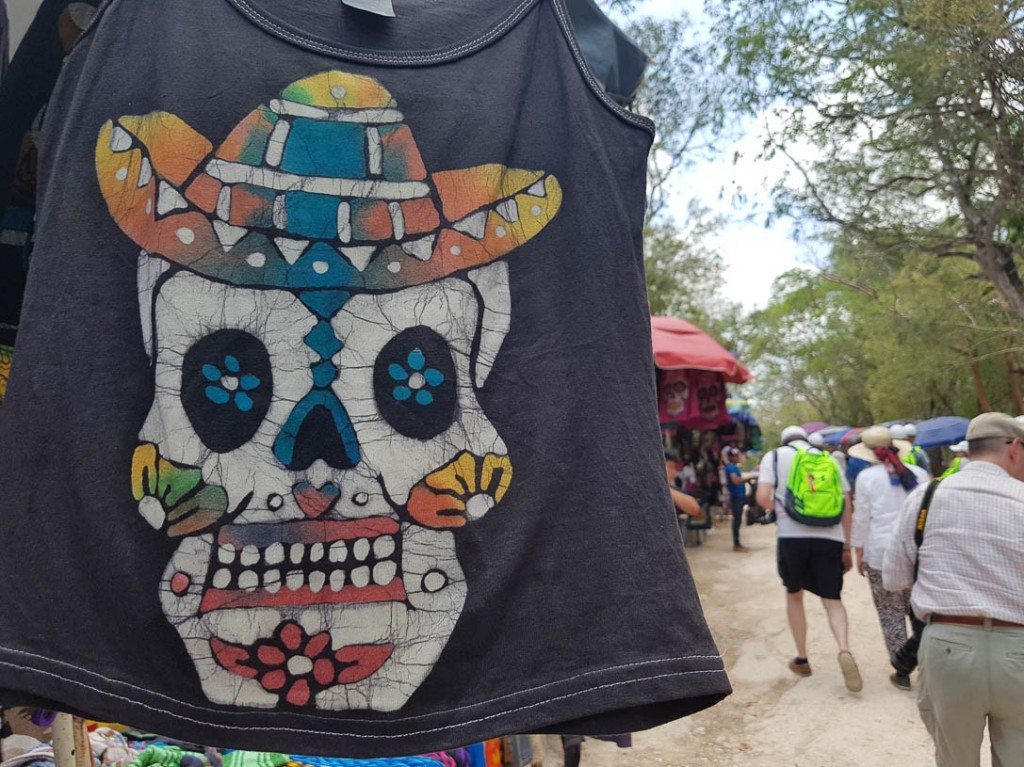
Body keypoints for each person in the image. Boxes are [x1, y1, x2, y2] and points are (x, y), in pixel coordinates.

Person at [884, 412, 1024, 767]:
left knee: (954, 760)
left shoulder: (926, 497)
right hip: (1018, 651)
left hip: (948, 649)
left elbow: (894, 577)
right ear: (1015, 448)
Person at [755, 426, 863, 692]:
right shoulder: (829, 459)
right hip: (830, 536)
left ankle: (802, 658)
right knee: (833, 599)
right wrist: (847, 547)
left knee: (794, 594)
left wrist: (782, 508)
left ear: (784, 440)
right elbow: (846, 505)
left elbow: (761, 497)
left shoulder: (776, 456)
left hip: (792, 536)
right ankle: (844, 647)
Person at [850, 426, 929, 691]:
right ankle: (928, 666)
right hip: (919, 552)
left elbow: (862, 517)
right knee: (922, 611)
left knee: (889, 613)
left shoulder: (866, 478)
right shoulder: (918, 474)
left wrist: (858, 550)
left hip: (880, 553)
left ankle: (902, 670)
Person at [724, 447, 748, 552]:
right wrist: (749, 478)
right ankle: (736, 544)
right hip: (736, 497)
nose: (737, 457)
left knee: (738, 520)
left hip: (739, 496)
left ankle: (737, 543)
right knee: (737, 520)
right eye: (735, 455)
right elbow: (735, 480)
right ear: (731, 457)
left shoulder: (734, 467)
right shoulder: (731, 467)